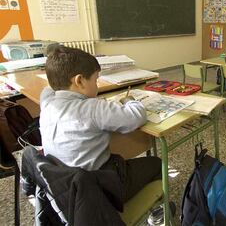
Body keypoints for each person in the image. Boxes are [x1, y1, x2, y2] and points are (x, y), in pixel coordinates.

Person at [39, 46, 162, 204]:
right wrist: (129, 100)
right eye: (95, 80)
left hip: (64, 188)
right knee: (156, 163)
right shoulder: (92, 108)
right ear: (79, 80)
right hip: (99, 188)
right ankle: (157, 212)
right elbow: (137, 117)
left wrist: (56, 75)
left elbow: (47, 89)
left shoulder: (47, 103)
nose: (97, 86)